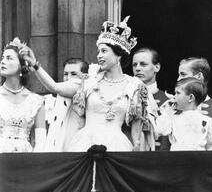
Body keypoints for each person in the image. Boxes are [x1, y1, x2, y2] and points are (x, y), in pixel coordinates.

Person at [24, 17, 157, 151]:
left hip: (118, 145)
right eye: (98, 51)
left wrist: (136, 146)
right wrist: (35, 64)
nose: (99, 55)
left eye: (104, 51)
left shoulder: (133, 86)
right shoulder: (89, 82)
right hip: (85, 143)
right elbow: (54, 87)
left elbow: (136, 126)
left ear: (119, 56)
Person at [0, 37, 46, 152]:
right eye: (2, 58)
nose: (3, 61)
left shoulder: (36, 101)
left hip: (26, 162)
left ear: (22, 66)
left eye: (9, 58)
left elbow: (41, 142)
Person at [156, 77, 212, 151]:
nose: (174, 96)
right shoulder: (172, 118)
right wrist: (167, 112)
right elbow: (161, 130)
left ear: (190, 97)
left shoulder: (206, 120)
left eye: (178, 93)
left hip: (198, 159)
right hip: (176, 159)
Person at [44, 58, 89, 152]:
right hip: (60, 145)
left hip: (78, 146)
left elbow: (54, 87)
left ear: (84, 76)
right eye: (65, 74)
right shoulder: (58, 96)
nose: (68, 78)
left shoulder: (80, 86)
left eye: (73, 74)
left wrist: (35, 66)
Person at [177, 57, 212, 134]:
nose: (178, 79)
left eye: (183, 74)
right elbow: (165, 145)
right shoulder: (175, 107)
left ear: (199, 76)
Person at [132, 47, 170, 150]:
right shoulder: (127, 98)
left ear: (157, 67)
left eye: (143, 64)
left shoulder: (168, 100)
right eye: (135, 65)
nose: (137, 68)